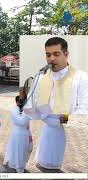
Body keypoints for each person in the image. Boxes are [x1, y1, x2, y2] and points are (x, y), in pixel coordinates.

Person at [23, 37, 88, 170]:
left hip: (63, 129)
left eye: (56, 54)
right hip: (46, 127)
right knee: (42, 159)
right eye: (48, 55)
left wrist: (63, 119)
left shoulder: (81, 77)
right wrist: (31, 111)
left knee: (54, 161)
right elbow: (31, 105)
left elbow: (84, 110)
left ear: (66, 54)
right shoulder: (40, 78)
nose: (51, 58)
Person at [3, 96, 33, 173]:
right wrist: (26, 113)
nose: (22, 103)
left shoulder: (24, 110)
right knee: (18, 150)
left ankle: (21, 164)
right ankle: (18, 166)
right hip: (17, 134)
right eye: (20, 101)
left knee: (24, 150)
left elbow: (27, 123)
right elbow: (21, 122)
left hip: (25, 133)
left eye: (23, 101)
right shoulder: (14, 110)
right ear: (16, 102)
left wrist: (29, 134)